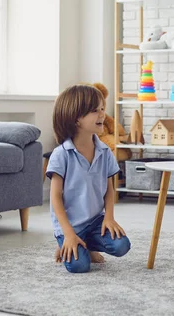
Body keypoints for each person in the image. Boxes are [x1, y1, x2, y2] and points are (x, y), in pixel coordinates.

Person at [47, 84, 131, 273]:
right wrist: (68, 234)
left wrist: (109, 218)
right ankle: (65, 243)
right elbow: (55, 198)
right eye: (95, 110)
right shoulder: (61, 155)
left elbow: (109, 189)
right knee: (78, 266)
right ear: (76, 118)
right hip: (71, 225)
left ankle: (89, 245)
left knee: (121, 246)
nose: (102, 114)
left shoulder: (105, 152)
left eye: (102, 108)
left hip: (95, 222)